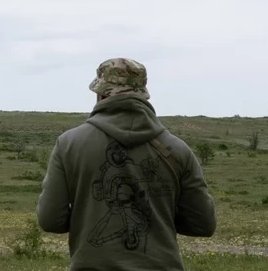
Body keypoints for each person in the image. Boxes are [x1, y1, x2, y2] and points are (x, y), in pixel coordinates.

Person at [37, 57, 216, 270]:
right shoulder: (177, 149)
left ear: (101, 93)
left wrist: (86, 215)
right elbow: (203, 224)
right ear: (143, 94)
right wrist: (159, 214)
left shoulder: (69, 144)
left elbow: (50, 220)